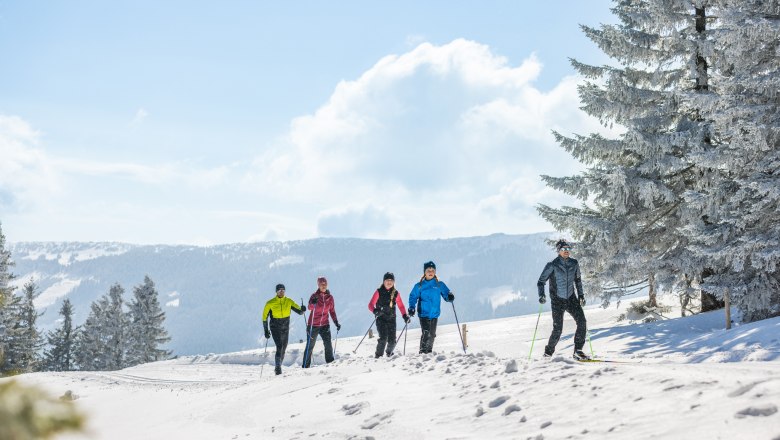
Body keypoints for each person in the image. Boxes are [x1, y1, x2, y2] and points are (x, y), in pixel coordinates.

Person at [537, 239, 589, 360]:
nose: (566, 251)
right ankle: (548, 354)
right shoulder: (552, 265)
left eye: (568, 249)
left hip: (571, 299)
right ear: (558, 251)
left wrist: (581, 295)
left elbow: (578, 281)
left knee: (582, 322)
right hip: (557, 301)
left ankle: (578, 351)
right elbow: (541, 282)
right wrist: (541, 295)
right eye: (563, 249)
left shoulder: (574, 263)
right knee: (558, 329)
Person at [408, 261, 454, 354]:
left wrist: (450, 296)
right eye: (428, 270)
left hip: (434, 314)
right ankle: (422, 352)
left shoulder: (439, 284)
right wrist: (412, 307)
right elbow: (413, 296)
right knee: (426, 332)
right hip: (423, 313)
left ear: (435, 272)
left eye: (433, 270)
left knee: (432, 335)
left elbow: (446, 294)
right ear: (424, 272)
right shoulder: (419, 285)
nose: (430, 271)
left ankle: (428, 352)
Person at [262, 283, 306, 375]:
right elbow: (264, 317)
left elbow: (299, 311)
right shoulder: (270, 303)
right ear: (276, 292)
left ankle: (279, 365)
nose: (281, 292)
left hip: (285, 326)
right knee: (279, 346)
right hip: (275, 326)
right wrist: (266, 330)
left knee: (284, 347)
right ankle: (278, 368)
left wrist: (302, 309)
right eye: (279, 290)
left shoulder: (289, 301)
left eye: (283, 290)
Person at [368, 272, 410, 358]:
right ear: (384, 281)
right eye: (387, 280)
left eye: (391, 280)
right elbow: (370, 305)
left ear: (394, 282)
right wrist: (375, 311)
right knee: (383, 338)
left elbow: (401, 306)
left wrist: (405, 316)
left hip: (391, 319)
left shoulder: (396, 293)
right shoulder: (378, 292)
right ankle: (378, 356)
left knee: (392, 341)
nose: (389, 282)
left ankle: (389, 354)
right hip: (381, 319)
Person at [302, 276, 340, 368]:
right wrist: (312, 303)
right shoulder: (314, 296)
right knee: (310, 346)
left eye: (325, 284)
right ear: (318, 285)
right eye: (322, 284)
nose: (324, 286)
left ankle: (330, 364)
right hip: (313, 325)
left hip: (325, 324)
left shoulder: (330, 298)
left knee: (328, 345)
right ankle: (305, 367)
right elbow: (309, 308)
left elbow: (332, 311)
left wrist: (336, 322)